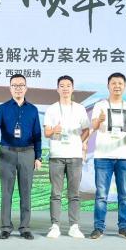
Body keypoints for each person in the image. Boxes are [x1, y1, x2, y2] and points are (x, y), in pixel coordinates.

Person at [0, 74, 42, 240]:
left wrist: (38, 157)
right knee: (6, 192)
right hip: (7, 153)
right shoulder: (2, 108)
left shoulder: (33, 109)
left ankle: (25, 227)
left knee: (26, 192)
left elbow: (37, 135)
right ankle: (6, 227)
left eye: (21, 85)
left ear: (26, 88)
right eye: (15, 85)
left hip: (28, 153)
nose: (18, 88)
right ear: (10, 88)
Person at [89, 73, 126, 240]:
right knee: (101, 195)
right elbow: (93, 126)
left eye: (120, 83)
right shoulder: (100, 105)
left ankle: (124, 227)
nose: (117, 86)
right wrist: (99, 120)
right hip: (103, 156)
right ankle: (98, 228)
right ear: (108, 86)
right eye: (113, 83)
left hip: (125, 157)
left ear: (124, 86)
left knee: (124, 195)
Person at [43, 75, 90, 239]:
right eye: (62, 86)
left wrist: (79, 142)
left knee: (74, 193)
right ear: (57, 89)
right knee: (55, 193)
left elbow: (87, 129)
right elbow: (46, 132)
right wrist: (53, 130)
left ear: (72, 88)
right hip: (56, 156)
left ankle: (74, 226)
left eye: (68, 85)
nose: (65, 88)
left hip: (75, 156)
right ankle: (55, 226)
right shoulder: (51, 109)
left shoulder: (80, 108)